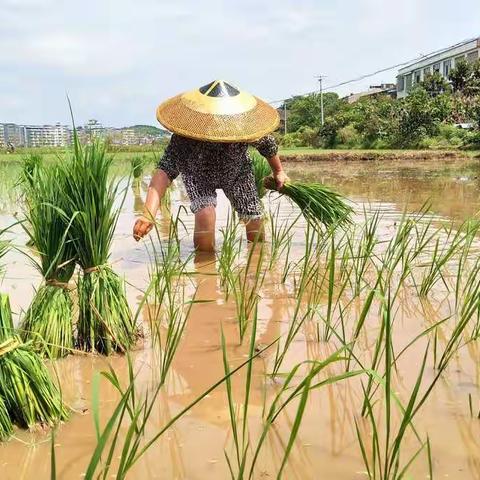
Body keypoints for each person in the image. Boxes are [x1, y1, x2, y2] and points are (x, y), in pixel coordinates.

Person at [133, 80, 288, 251]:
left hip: (237, 174)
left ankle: (257, 263)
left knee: (254, 220)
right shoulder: (187, 134)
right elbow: (165, 171)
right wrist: (148, 213)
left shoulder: (242, 125)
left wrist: (279, 171)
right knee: (205, 215)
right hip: (198, 175)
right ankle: (205, 269)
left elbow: (268, 146)